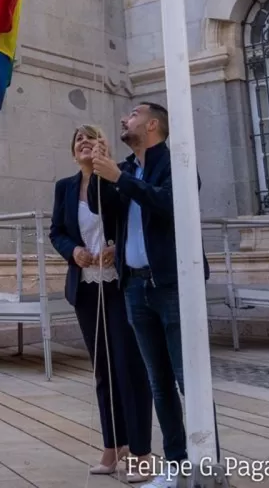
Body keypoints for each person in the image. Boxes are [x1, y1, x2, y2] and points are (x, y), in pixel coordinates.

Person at [91, 103, 212, 488]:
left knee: (186, 378)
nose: (125, 117)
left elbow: (169, 205)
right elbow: (110, 212)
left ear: (153, 124)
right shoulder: (126, 168)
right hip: (136, 286)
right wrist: (94, 170)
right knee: (158, 381)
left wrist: (120, 179)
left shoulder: (175, 161)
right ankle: (176, 466)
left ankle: (205, 462)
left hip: (173, 284)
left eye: (134, 113)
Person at [50, 125, 153, 482]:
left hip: (118, 285)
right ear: (72, 149)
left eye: (91, 138)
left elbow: (127, 221)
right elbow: (57, 232)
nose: (84, 142)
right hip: (86, 287)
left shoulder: (116, 178)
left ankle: (140, 451)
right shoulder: (64, 187)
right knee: (102, 371)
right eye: (78, 138)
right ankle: (113, 445)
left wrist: (116, 249)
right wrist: (73, 251)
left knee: (129, 368)